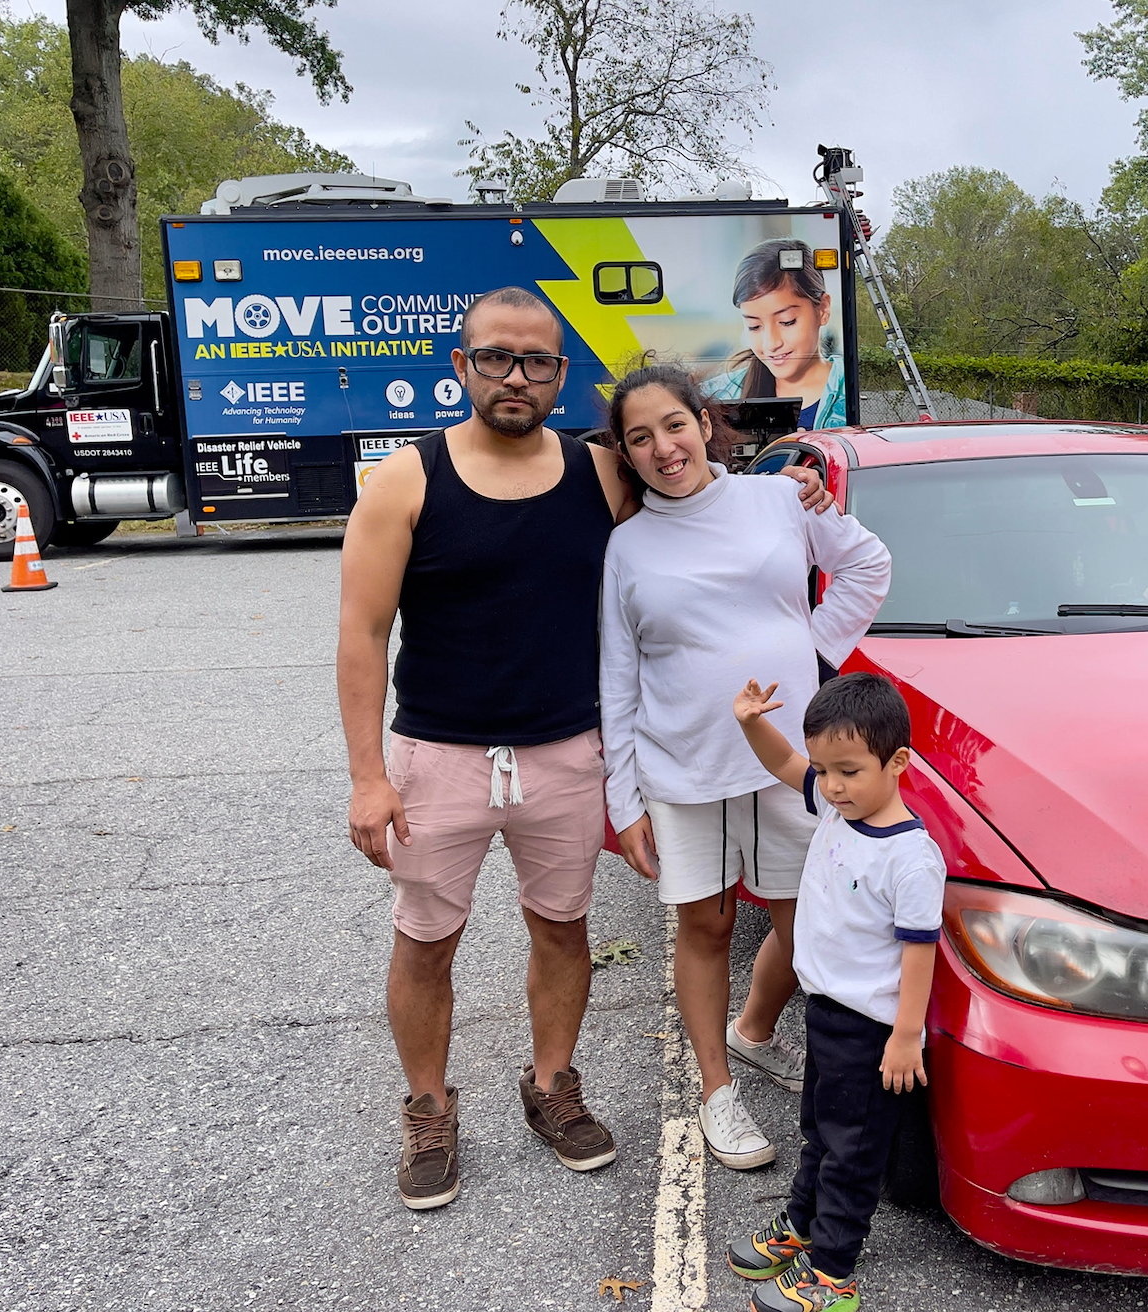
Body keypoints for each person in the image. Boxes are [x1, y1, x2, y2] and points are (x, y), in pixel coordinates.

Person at [336, 288, 833, 1211]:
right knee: (424, 941)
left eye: (535, 361)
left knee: (562, 929)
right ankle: (429, 1109)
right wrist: (369, 777)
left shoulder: (601, 476)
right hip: (437, 755)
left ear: (560, 375)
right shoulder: (406, 483)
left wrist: (798, 487)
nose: (515, 376)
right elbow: (362, 635)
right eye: (496, 357)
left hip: (566, 751)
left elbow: (707, 506)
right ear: (462, 363)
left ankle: (554, 1088)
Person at [599, 364, 890, 1172]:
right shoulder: (627, 546)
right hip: (683, 766)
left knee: (808, 925)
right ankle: (716, 1092)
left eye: (674, 425)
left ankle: (753, 1032)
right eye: (640, 437)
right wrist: (624, 799)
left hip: (788, 760)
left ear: (704, 420)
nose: (663, 447)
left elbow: (867, 568)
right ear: (626, 453)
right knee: (708, 926)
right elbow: (616, 677)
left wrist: (814, 648)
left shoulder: (779, 499)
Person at [726, 672, 946, 1312]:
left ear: (898, 762)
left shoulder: (910, 858)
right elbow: (785, 762)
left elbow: (919, 952)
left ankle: (833, 1276)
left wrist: (906, 1037)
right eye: (826, 772)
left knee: (852, 1151)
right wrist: (749, 723)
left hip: (871, 1030)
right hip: (823, 1010)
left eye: (848, 771)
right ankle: (801, 1224)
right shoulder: (835, 804)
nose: (831, 785)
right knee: (818, 1130)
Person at [704, 237, 848, 430]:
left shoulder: (855, 389)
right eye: (754, 326)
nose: (770, 343)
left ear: (822, 309)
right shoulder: (714, 395)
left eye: (787, 322)